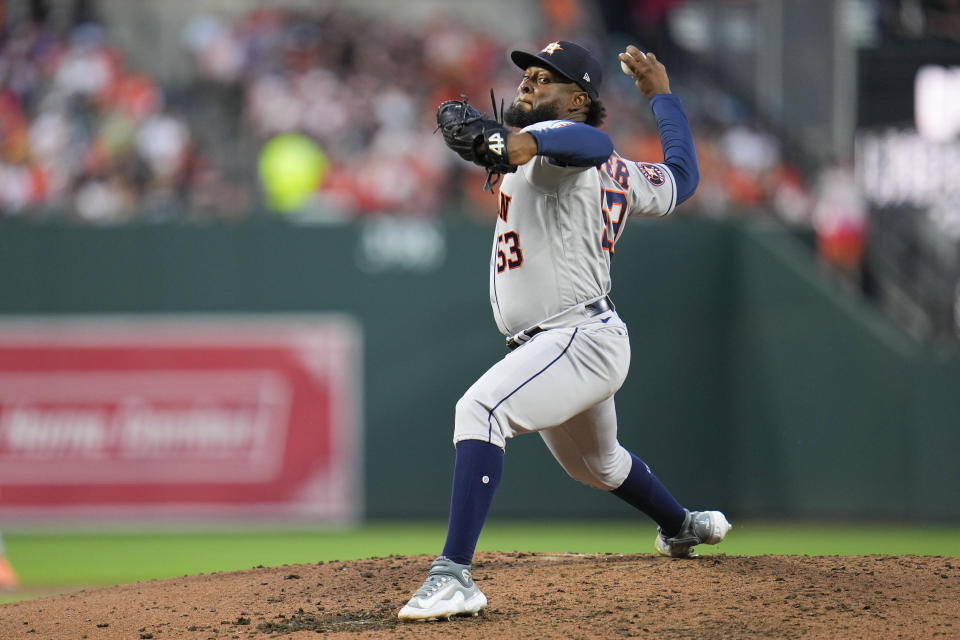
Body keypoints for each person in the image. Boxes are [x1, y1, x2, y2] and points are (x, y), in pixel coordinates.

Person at [399, 40, 730, 622]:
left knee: (480, 411)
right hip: (572, 339)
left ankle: (453, 577)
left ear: (578, 98)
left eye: (544, 77)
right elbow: (680, 177)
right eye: (525, 74)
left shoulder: (561, 154)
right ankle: (681, 526)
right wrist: (664, 100)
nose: (527, 83)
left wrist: (520, 140)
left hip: (575, 336)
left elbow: (592, 142)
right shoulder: (586, 164)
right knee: (597, 467)